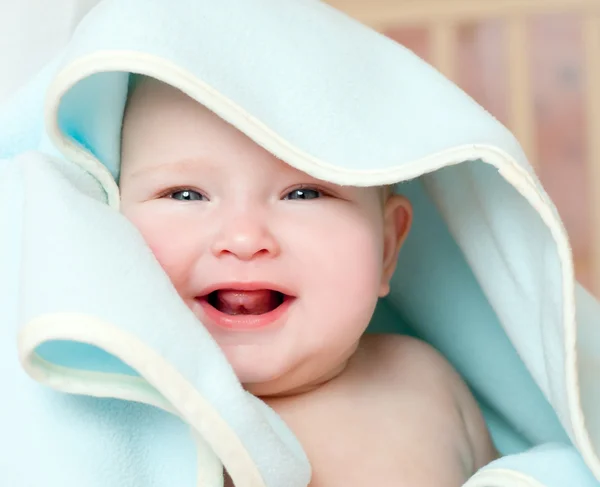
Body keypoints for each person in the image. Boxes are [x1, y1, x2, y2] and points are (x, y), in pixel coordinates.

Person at [119, 76, 498, 486]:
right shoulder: (112, 428)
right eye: (186, 195)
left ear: (387, 248)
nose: (245, 240)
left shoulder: (423, 385)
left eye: (303, 194)